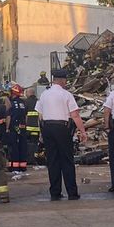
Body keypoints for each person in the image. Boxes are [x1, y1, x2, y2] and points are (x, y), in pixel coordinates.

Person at [36, 69, 87, 201]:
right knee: (67, 161)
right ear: (63, 80)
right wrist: (82, 131)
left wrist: (41, 132)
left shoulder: (44, 94)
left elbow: (40, 115)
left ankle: (55, 192)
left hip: (47, 128)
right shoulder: (66, 95)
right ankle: (72, 193)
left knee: (52, 161)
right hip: (62, 128)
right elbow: (75, 115)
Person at [6, 83, 29, 172]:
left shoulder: (11, 104)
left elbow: (9, 117)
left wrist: (7, 128)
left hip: (13, 127)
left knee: (13, 146)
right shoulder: (23, 103)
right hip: (22, 127)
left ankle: (14, 167)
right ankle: (22, 166)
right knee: (23, 146)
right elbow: (26, 116)